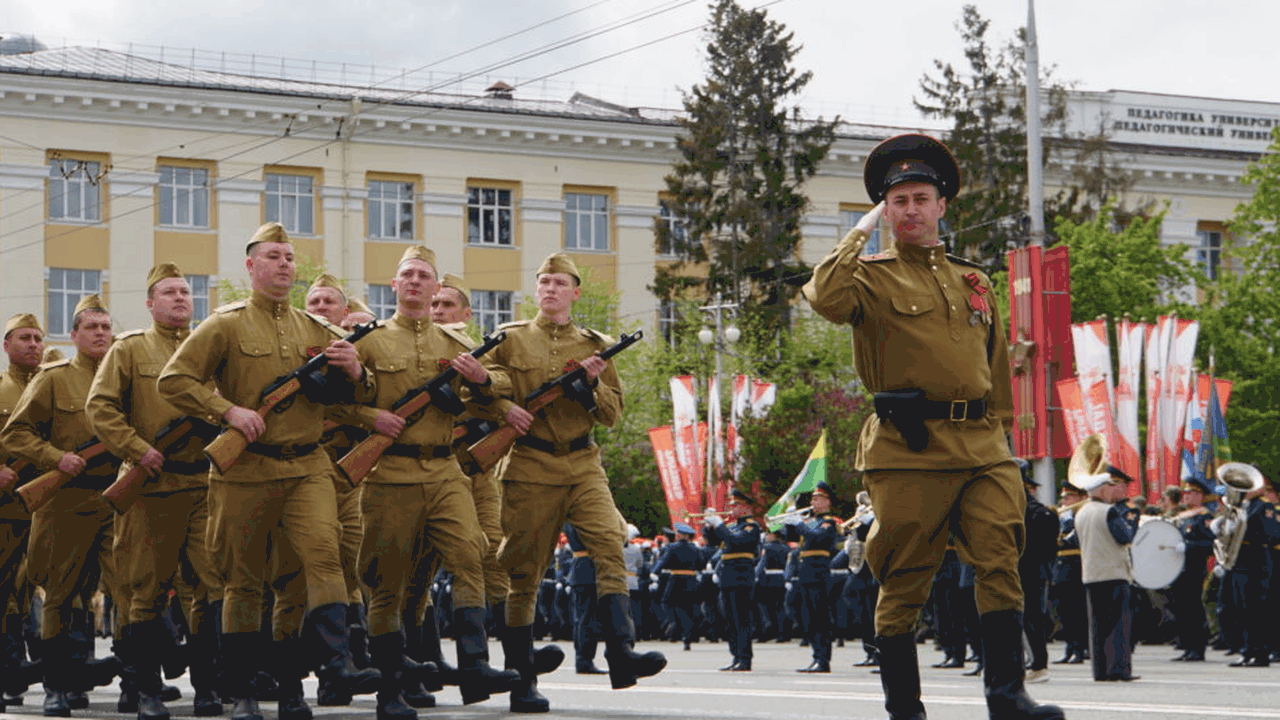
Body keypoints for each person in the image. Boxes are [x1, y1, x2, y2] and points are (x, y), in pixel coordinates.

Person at [802, 133, 1063, 720]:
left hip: (982, 445)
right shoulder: (868, 277)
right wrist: (860, 230)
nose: (911, 209)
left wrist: (1006, 441)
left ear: (942, 205)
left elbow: (994, 365)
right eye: (898, 202)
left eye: (921, 198)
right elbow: (822, 294)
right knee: (905, 576)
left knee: (1001, 555)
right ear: (885, 212)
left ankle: (1007, 694)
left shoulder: (974, 279)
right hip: (908, 448)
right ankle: (905, 707)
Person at [157, 222, 379, 720]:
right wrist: (228, 412)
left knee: (321, 558)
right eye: (273, 256)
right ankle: (241, 692)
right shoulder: (224, 324)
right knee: (244, 582)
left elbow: (364, 397)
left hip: (307, 466)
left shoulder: (317, 329)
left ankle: (327, 666)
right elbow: (173, 381)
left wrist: (357, 370)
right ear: (251, 266)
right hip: (245, 471)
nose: (284, 264)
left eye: (290, 257)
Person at [489, 253, 666, 713]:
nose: (550, 289)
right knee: (525, 571)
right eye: (544, 282)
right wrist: (503, 409)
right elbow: (474, 392)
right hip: (529, 463)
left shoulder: (596, 346)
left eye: (559, 283)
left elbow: (612, 414)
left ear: (575, 292)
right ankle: (522, 680)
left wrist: (588, 385)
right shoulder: (509, 341)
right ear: (536, 290)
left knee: (610, 542)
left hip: (583, 462)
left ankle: (621, 654)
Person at [350, 245, 520, 716]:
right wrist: (371, 416)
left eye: (425, 276)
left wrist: (484, 378)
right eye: (408, 275)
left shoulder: (454, 344)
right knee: (389, 584)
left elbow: (497, 386)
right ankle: (390, 689)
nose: (416, 282)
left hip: (445, 468)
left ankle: (474, 664)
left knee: (472, 554)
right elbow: (333, 404)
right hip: (390, 473)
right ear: (394, 285)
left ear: (435, 287)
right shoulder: (372, 340)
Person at [85, 265, 223, 719]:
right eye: (169, 292)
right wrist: (137, 449)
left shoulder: (208, 349)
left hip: (202, 485)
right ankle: (146, 689)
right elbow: (100, 408)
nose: (180, 298)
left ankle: (207, 689)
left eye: (186, 291)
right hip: (149, 486)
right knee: (145, 591)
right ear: (150, 303)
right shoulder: (130, 349)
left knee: (211, 587)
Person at [2, 296, 123, 717]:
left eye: (106, 327)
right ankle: (56, 684)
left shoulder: (124, 378)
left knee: (126, 589)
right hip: (64, 500)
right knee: (58, 594)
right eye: (91, 327)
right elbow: (15, 435)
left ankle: (134, 682)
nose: (101, 334)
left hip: (118, 497)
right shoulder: (54, 378)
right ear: (73, 335)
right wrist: (56, 459)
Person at [1069, 436, 1141, 682]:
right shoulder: (1108, 511)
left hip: (1091, 575)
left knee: (1097, 627)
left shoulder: (1080, 513)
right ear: (1101, 489)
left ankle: (1100, 671)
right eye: (1110, 486)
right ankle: (1118, 669)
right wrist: (1130, 524)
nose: (1114, 490)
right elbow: (1125, 538)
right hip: (1113, 573)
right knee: (1118, 625)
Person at [0, 313, 44, 707]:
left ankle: (64, 675)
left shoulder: (52, 385)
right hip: (5, 510)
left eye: (38, 338)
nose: (33, 344)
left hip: (49, 507)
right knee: (5, 593)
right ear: (6, 345)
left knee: (55, 588)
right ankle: (8, 675)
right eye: (24, 338)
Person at [781, 484, 840, 673]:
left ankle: (823, 659)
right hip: (805, 572)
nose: (813, 502)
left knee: (820, 617)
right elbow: (790, 537)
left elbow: (816, 538)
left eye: (817, 499)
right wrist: (790, 522)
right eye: (812, 499)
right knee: (809, 617)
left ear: (827, 501)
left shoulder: (829, 522)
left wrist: (799, 523)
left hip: (819, 572)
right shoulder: (810, 521)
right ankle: (816, 656)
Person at [702, 488, 761, 671]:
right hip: (727, 575)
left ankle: (745, 658)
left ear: (745, 507)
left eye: (735, 504)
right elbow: (714, 542)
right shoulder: (732, 527)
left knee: (741, 618)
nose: (731, 508)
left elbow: (736, 542)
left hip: (742, 575)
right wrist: (709, 527)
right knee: (729, 618)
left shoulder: (751, 527)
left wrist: (719, 525)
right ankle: (735, 656)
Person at [1017, 458, 1060, 684]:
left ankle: (1037, 664)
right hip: (1031, 571)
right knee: (1027, 617)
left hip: (1027, 571)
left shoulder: (1034, 512)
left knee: (1030, 618)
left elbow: (1048, 548)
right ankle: (1031, 662)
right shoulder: (1038, 511)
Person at [1168, 474, 1216, 662]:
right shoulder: (1181, 516)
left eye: (1190, 492)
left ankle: (1198, 648)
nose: (1186, 495)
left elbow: (1210, 544)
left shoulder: (1204, 516)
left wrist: (1187, 547)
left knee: (1194, 609)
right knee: (1181, 609)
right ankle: (1187, 646)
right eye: (1185, 492)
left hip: (1194, 569)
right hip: (1177, 569)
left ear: (1200, 496)